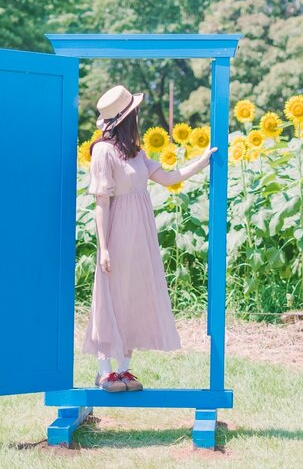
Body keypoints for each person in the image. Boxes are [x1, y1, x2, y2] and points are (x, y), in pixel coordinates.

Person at [84, 84, 217, 392]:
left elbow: (170, 178)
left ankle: (125, 369)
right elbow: (101, 203)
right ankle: (104, 371)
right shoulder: (103, 152)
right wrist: (104, 248)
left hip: (141, 233)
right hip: (117, 232)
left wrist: (203, 160)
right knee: (110, 295)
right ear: (127, 118)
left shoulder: (135, 152)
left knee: (135, 295)